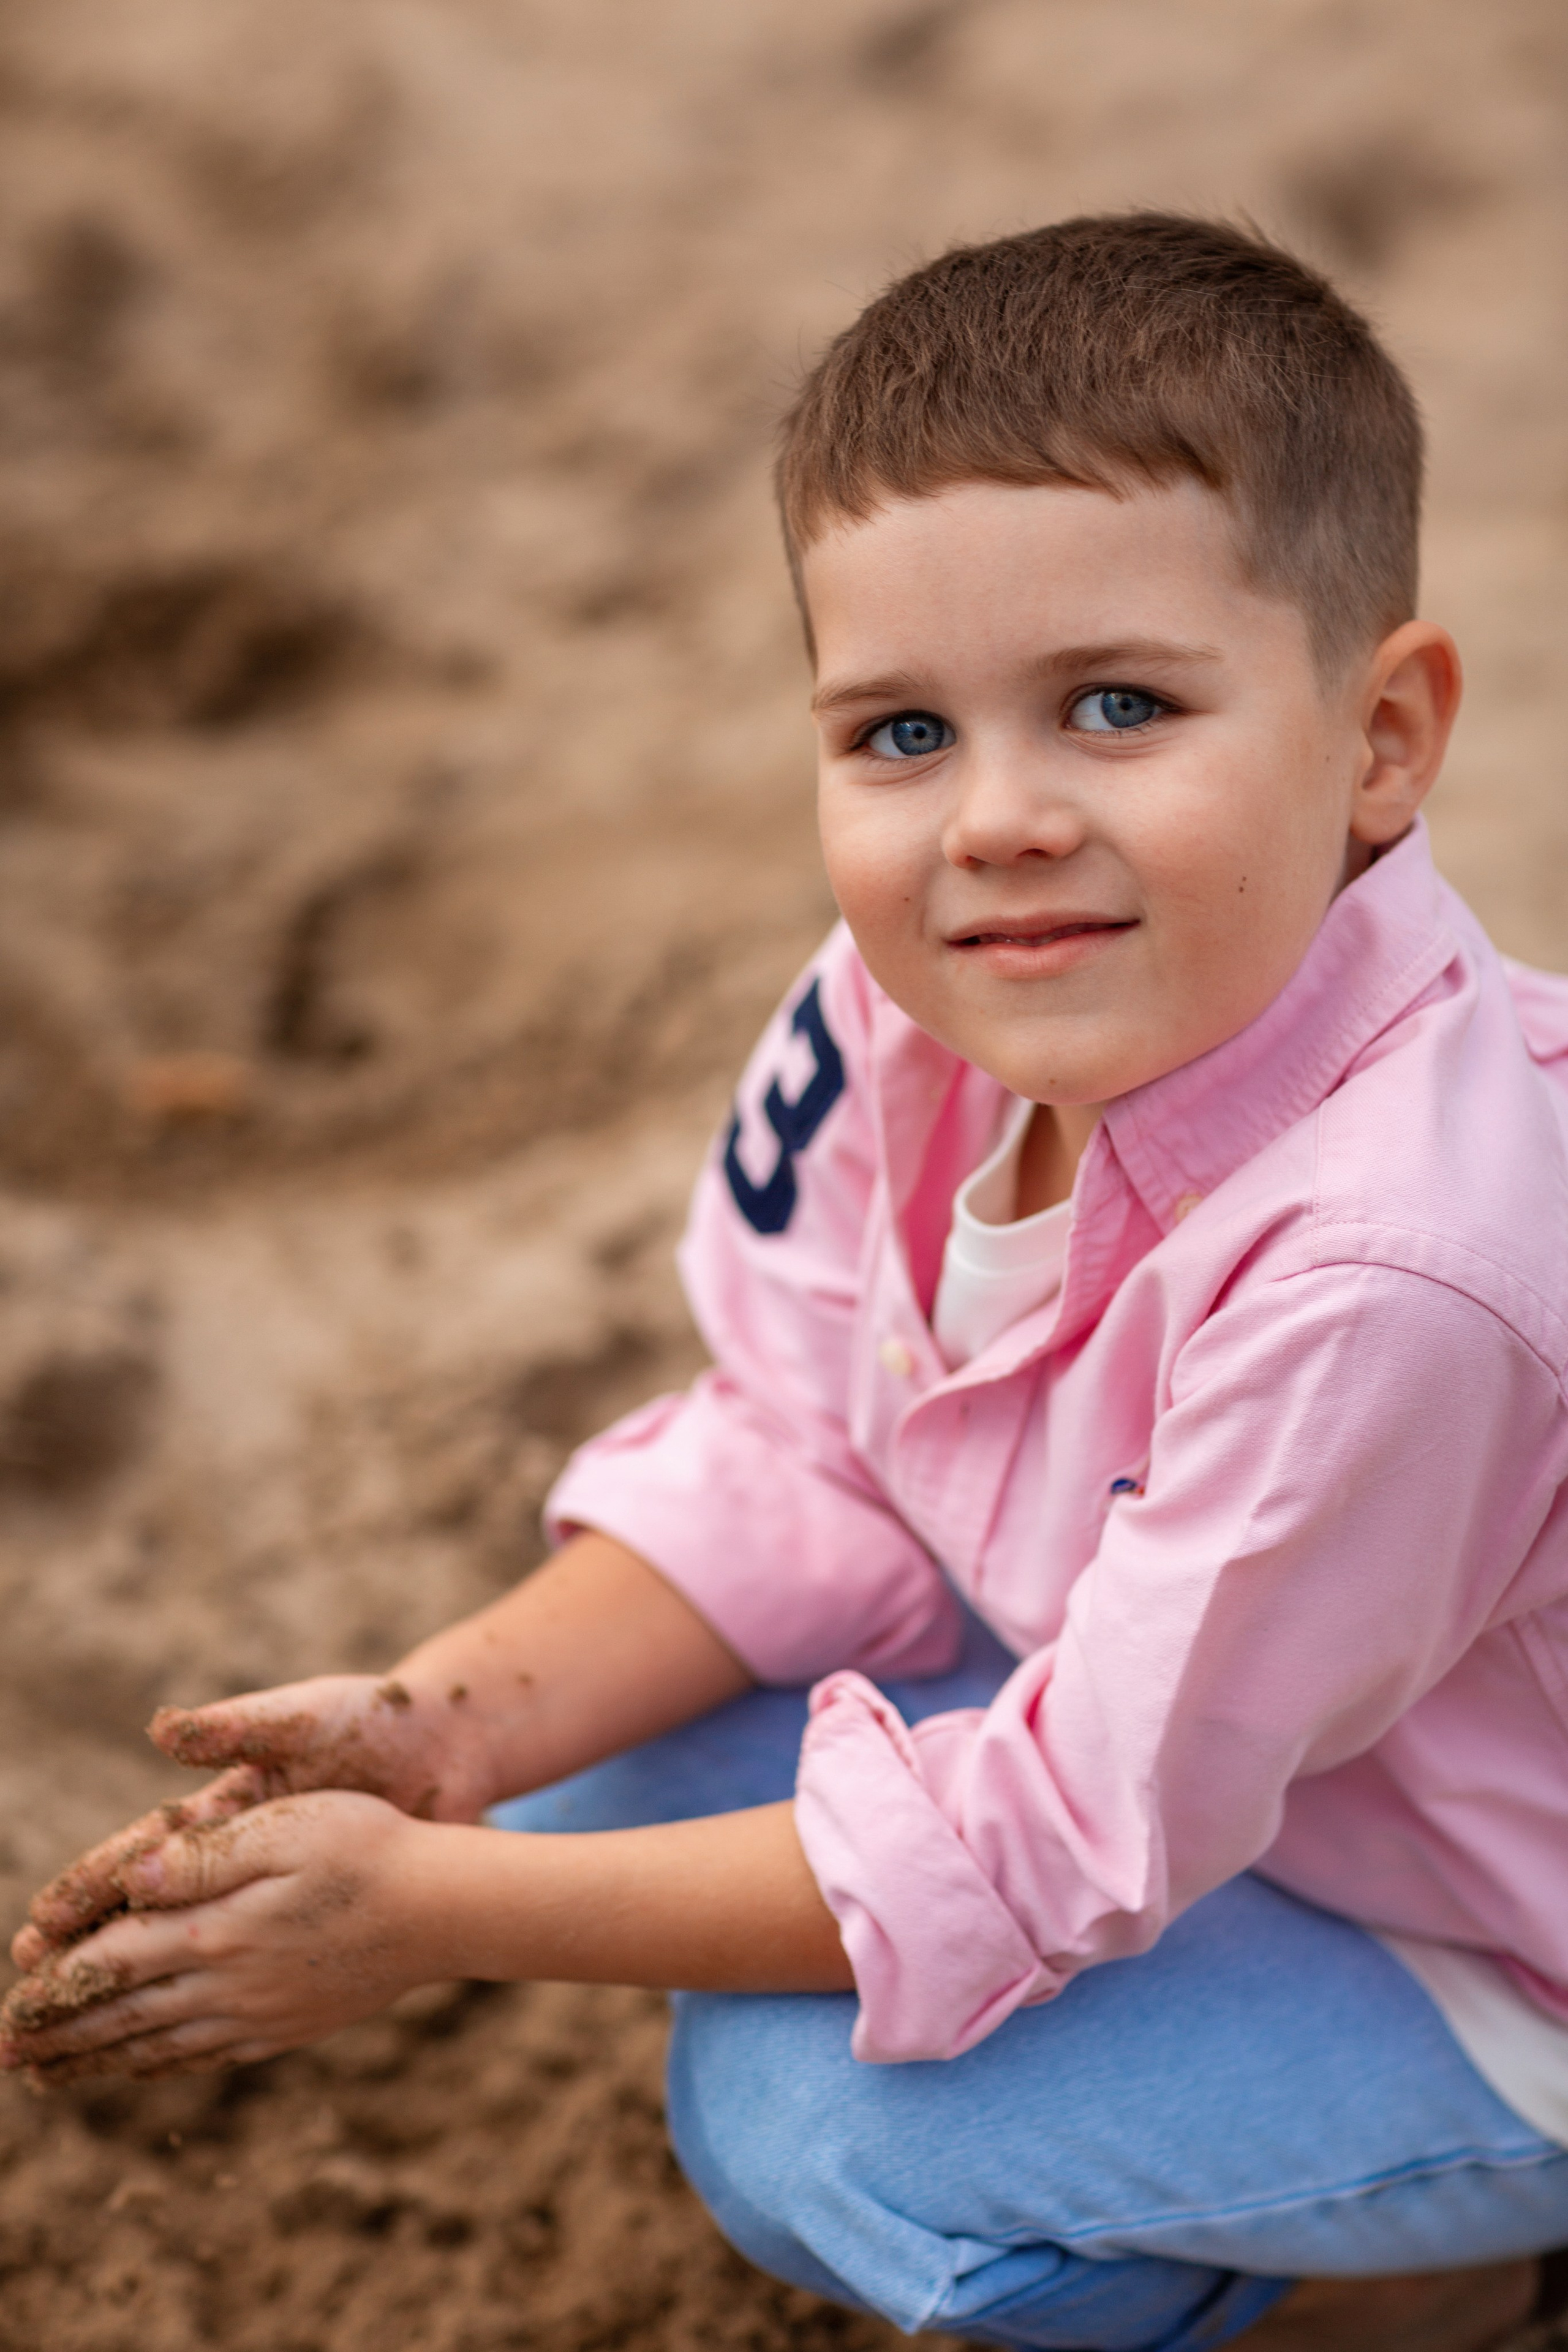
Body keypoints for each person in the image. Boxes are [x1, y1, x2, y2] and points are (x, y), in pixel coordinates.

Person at [4, 213, 1568, 2351]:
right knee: (561, 1771)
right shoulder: (918, 1008)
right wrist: (437, 1734)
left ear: (1382, 737)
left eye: (1118, 707)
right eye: (900, 736)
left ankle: (1425, 2278)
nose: (996, 823)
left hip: (1501, 1936)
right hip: (1241, 1760)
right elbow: (802, 1450)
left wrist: (423, 1920)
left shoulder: (1402, 1269)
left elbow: (1060, 1830)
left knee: (817, 2130)